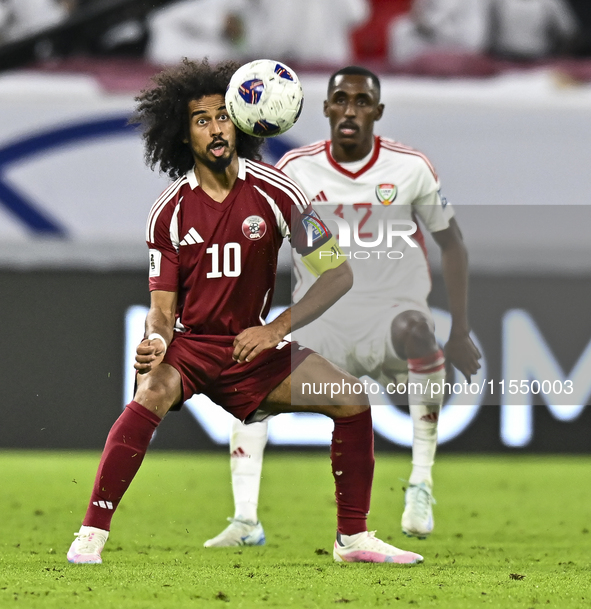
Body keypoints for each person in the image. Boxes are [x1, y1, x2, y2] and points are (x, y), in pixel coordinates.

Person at [66, 58, 424, 566]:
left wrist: (275, 328)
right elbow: (162, 311)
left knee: (351, 399)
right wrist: (157, 342)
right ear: (182, 134)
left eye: (222, 115)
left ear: (241, 120)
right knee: (151, 390)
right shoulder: (169, 212)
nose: (216, 128)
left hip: (250, 349)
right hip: (190, 348)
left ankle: (353, 539)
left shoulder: (278, 194)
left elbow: (338, 274)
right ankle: (91, 535)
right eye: (201, 119)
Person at [204, 65, 481, 548]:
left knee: (419, 331)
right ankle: (245, 520)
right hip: (321, 322)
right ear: (326, 108)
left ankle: (420, 483)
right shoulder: (295, 170)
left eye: (361, 101)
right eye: (341, 100)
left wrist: (458, 330)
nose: (350, 110)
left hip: (389, 317)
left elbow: (453, 245)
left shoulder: (410, 167)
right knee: (247, 370)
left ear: (377, 111)